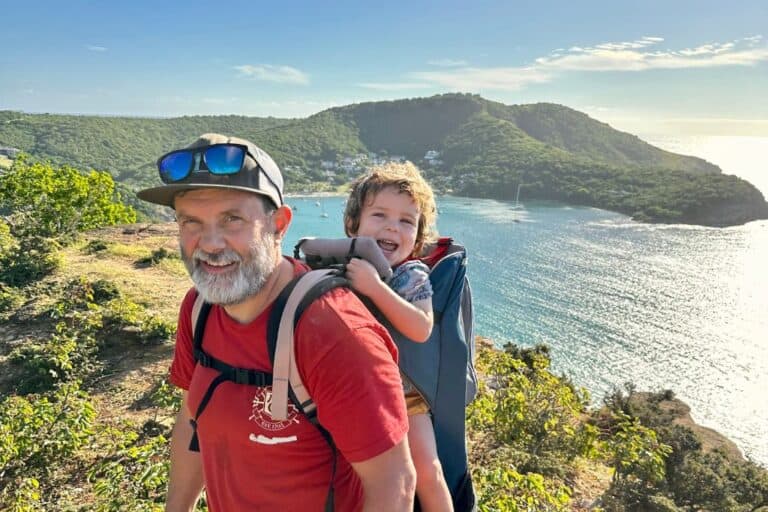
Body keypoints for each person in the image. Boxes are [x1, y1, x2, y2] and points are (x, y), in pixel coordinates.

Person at [137, 134, 416, 512]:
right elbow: (193, 419)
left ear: (279, 225)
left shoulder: (337, 334)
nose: (210, 243)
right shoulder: (200, 308)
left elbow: (394, 484)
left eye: (232, 219)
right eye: (191, 222)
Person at [343, 162, 453, 512]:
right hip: (357, 392)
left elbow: (421, 327)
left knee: (425, 471)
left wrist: (375, 288)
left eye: (407, 221)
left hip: (406, 394)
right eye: (379, 215)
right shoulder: (343, 264)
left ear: (418, 236)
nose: (393, 226)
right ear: (353, 223)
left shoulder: (411, 274)